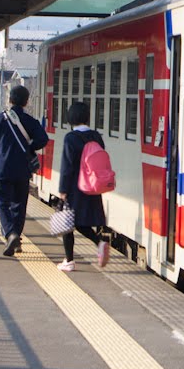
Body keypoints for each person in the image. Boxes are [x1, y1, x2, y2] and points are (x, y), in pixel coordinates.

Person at [0, 85, 48, 256]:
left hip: (2, 170)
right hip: (22, 171)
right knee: (19, 205)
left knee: (3, 203)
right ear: (26, 102)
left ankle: (10, 234)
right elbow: (43, 139)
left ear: (10, 100)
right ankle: (17, 239)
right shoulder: (30, 121)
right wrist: (29, 147)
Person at [56, 101, 109, 272]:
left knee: (67, 223)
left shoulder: (70, 138)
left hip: (75, 187)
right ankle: (99, 242)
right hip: (92, 186)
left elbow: (67, 166)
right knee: (82, 222)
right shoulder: (96, 136)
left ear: (71, 118)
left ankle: (69, 261)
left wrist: (63, 189)